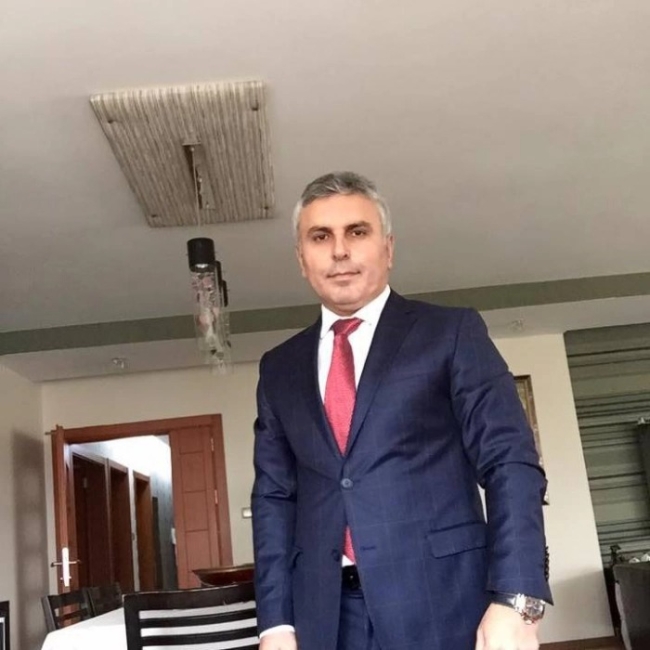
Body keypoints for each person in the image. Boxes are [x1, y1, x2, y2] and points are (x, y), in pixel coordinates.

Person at [251, 171, 552, 650]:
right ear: (302, 259)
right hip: (323, 619)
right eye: (320, 236)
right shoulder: (278, 368)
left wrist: (517, 598)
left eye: (357, 231)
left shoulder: (450, 333)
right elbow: (273, 498)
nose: (339, 251)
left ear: (388, 248)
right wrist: (275, 624)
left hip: (447, 603)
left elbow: (509, 462)